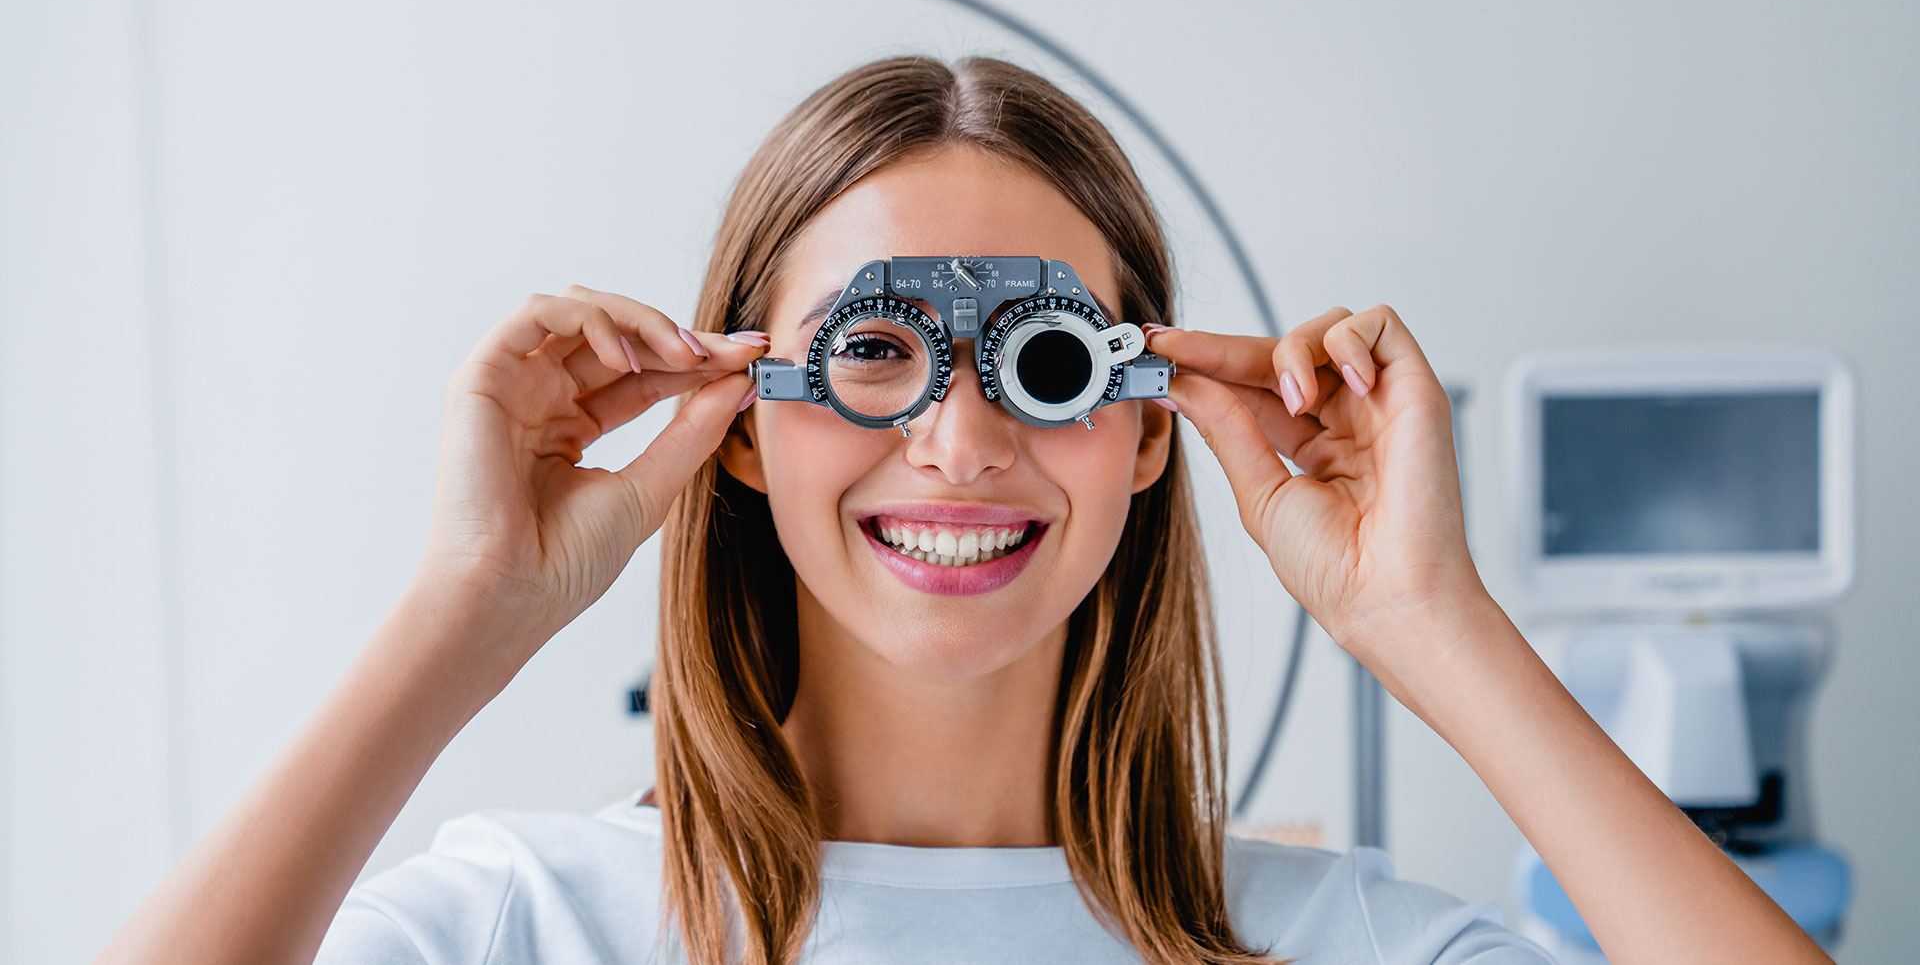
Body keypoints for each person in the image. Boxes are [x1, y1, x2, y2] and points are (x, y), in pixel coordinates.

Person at [90, 56, 1831, 965]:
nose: (960, 436)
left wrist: (1432, 632)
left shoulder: (1331, 941)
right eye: (877, 355)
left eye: (1048, 366)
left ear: (1145, 434)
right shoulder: (513, 927)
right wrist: (460, 617)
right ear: (747, 424)